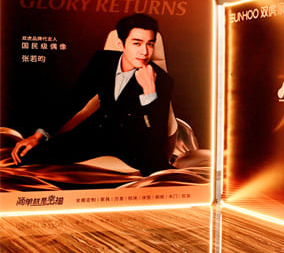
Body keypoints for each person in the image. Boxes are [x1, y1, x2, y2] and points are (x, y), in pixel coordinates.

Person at [11, 13, 173, 176]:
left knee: (161, 174)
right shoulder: (102, 61)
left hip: (134, 142)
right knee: (26, 156)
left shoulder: (163, 80)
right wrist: (38, 135)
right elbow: (73, 100)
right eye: (137, 43)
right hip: (97, 132)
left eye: (150, 44)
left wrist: (149, 91)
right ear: (121, 44)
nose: (144, 52)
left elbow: (157, 139)